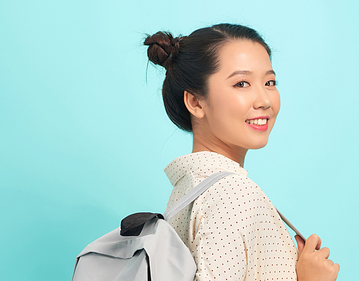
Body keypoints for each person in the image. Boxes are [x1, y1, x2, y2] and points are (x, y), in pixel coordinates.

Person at [144, 23, 339, 281]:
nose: (264, 100)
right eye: (242, 83)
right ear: (195, 102)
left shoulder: (189, 188)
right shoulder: (232, 194)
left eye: (269, 82)